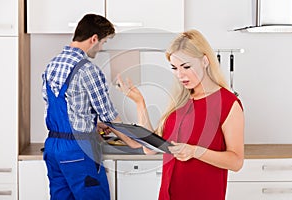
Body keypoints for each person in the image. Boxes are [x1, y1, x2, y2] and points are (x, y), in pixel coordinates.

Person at [116, 29, 244, 200]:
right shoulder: (180, 101)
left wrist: (195, 151)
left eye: (186, 67)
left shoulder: (228, 103)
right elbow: (149, 149)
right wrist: (140, 103)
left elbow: (236, 162)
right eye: (175, 68)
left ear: (205, 61)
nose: (180, 74)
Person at [41, 13, 140, 200]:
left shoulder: (51, 66)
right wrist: (133, 143)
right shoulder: (88, 70)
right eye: (103, 42)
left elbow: (57, 107)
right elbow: (109, 115)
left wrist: (91, 124)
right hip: (78, 150)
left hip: (53, 149)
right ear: (94, 38)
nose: (101, 48)